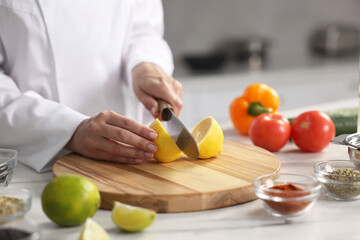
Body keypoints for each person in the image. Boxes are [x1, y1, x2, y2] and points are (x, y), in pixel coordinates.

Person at [0, 0, 182, 172]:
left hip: (122, 158)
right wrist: (70, 130)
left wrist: (146, 67)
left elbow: (143, 32)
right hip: (26, 159)